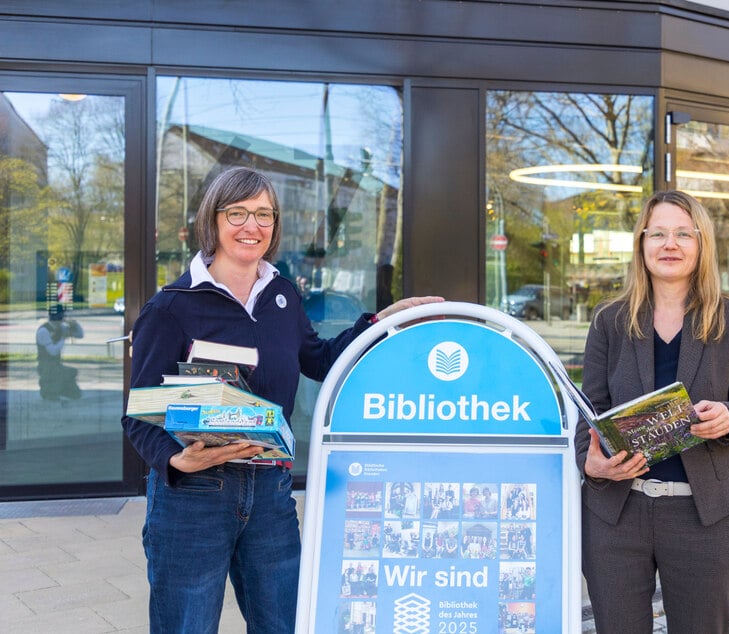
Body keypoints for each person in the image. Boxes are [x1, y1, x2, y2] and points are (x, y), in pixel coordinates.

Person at [121, 166, 443, 633]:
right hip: (195, 496)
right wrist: (175, 460)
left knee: (284, 624)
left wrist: (378, 323)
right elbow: (138, 416)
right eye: (238, 213)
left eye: (263, 215)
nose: (252, 226)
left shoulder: (283, 297)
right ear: (212, 220)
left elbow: (322, 360)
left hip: (270, 492)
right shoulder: (171, 307)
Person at [576, 190, 729, 634]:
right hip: (618, 517)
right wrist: (590, 461)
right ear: (641, 244)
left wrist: (728, 418)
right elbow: (589, 412)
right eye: (657, 233)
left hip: (703, 516)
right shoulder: (610, 320)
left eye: (684, 233)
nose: (670, 244)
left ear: (701, 245)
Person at [36, 304, 83, 401]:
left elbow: (80, 335)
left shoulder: (61, 327)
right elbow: (52, 351)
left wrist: (74, 325)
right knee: (59, 374)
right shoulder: (44, 331)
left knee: (75, 394)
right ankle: (48, 392)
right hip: (45, 365)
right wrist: (63, 338)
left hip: (56, 364)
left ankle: (61, 391)